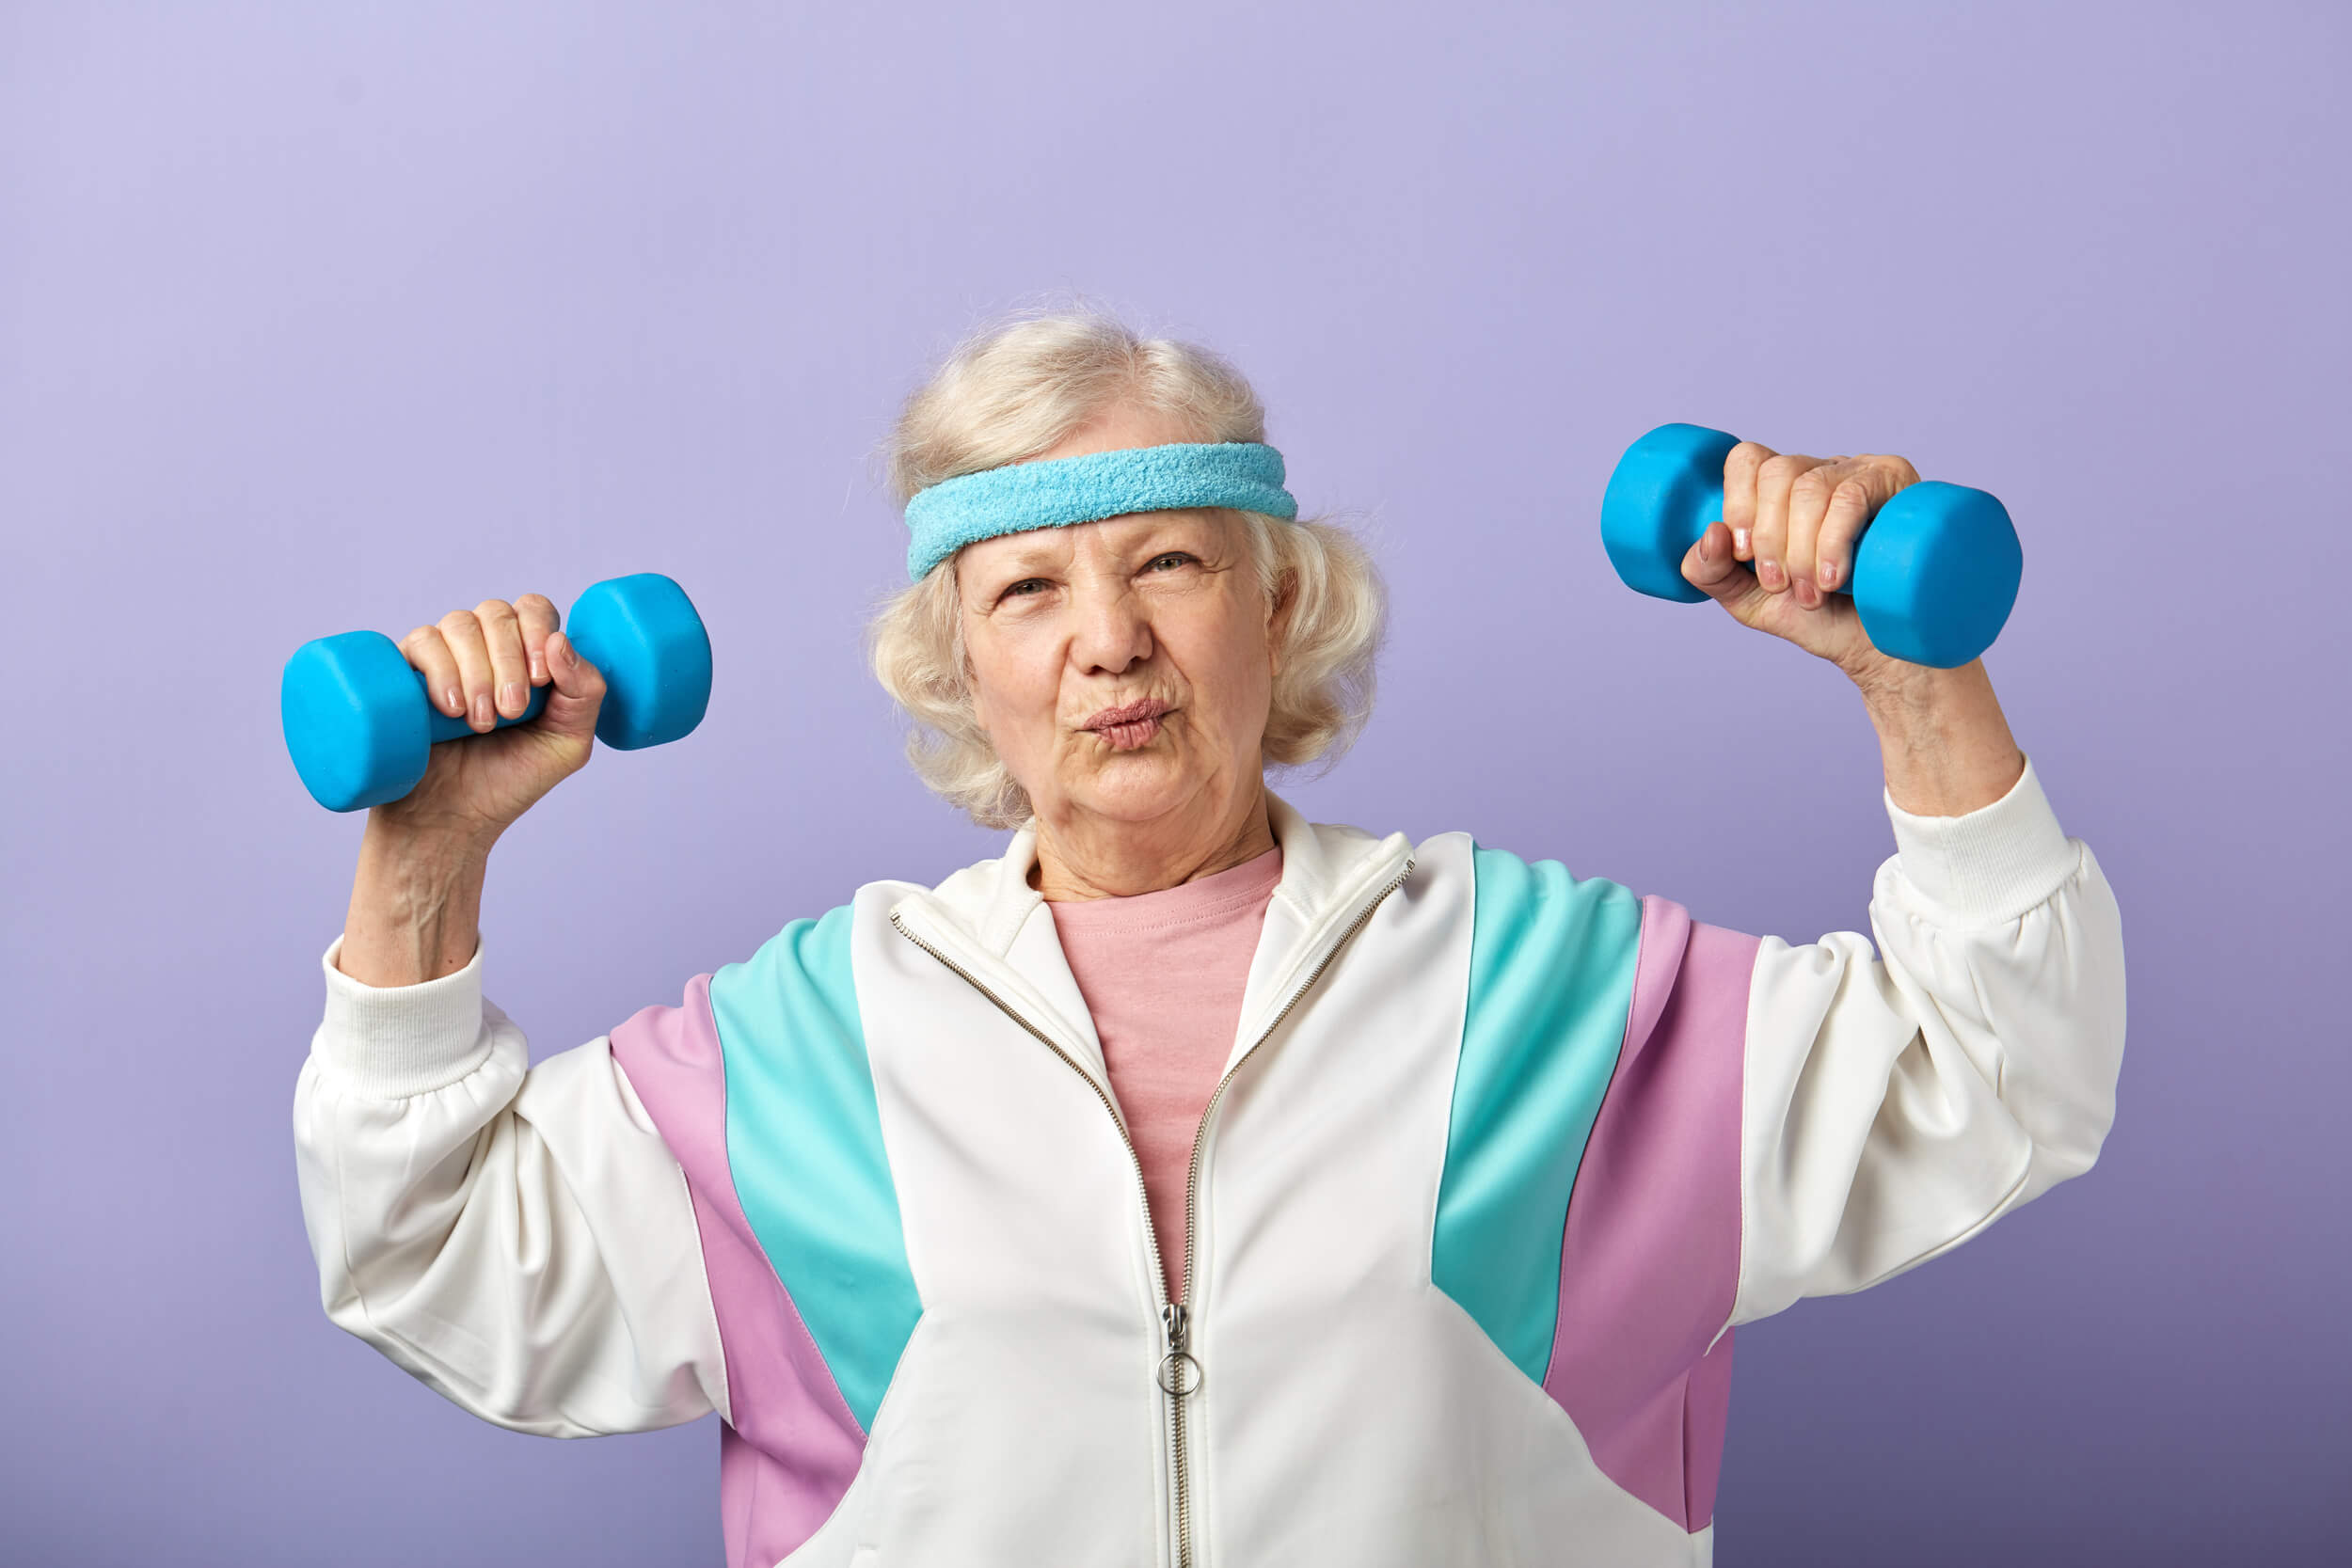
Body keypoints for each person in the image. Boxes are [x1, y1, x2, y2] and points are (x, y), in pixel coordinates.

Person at [293, 306, 2126, 1568]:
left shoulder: (1547, 999)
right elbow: (434, 1259)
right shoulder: (798, 1051)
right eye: (1028, 588)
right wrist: (425, 861)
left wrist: (1917, 686)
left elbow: (2004, 1066)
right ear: (964, 670)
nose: (1106, 639)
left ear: (1277, 603)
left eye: (1166, 560)